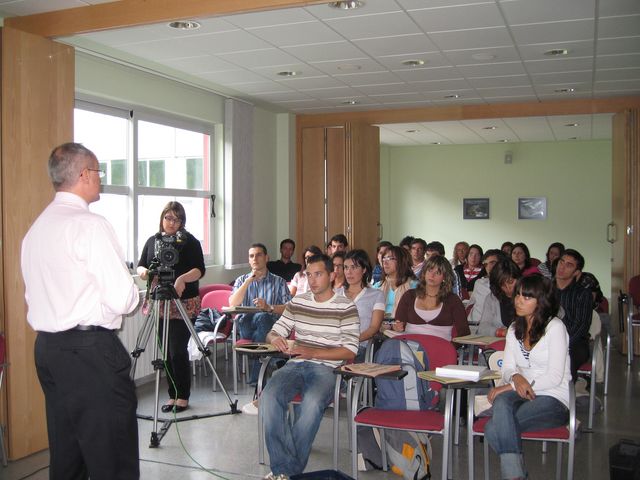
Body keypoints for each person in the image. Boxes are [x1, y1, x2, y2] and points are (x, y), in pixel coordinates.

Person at [21, 143, 140, 479]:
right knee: (112, 456)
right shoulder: (89, 225)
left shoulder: (37, 228)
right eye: (98, 171)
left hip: (48, 350)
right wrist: (131, 289)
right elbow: (123, 300)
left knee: (68, 452)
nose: (100, 178)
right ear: (84, 174)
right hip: (89, 354)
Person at [261, 254, 359, 479]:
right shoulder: (299, 301)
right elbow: (274, 330)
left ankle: (283, 472)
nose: (312, 280)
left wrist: (313, 352)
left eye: (319, 274)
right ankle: (286, 471)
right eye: (309, 274)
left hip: (327, 367)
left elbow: (350, 350)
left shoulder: (346, 307)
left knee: (312, 403)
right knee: (269, 397)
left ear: (332, 275)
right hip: (296, 364)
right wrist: (274, 337)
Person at [484, 275, 571, 480]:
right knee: (502, 402)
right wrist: (515, 377)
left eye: (527, 297)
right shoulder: (515, 328)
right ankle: (516, 475)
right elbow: (507, 369)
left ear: (541, 302)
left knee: (493, 428)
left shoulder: (555, 327)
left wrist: (512, 386)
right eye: (518, 295)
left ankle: (514, 475)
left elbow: (555, 377)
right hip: (521, 393)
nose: (519, 300)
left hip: (553, 397)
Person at [137, 201, 206, 413]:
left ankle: (182, 396)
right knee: (165, 351)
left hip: (183, 303)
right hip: (160, 303)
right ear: (162, 218)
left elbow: (199, 270)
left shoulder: (189, 241)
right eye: (168, 218)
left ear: (182, 222)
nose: (171, 222)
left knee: (177, 350)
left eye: (176, 219)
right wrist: (144, 273)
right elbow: (141, 263)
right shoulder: (153, 241)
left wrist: (182, 279)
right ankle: (172, 395)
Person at [230, 243, 292, 383]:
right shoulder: (241, 280)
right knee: (261, 318)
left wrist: (269, 307)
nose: (255, 259)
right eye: (251, 256)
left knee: (264, 317)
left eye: (259, 255)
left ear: (266, 258)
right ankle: (270, 361)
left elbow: (290, 308)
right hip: (246, 325)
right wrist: (248, 282)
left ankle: (257, 374)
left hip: (270, 326)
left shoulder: (279, 281)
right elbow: (233, 304)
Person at [393, 255, 470, 341]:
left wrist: (452, 348)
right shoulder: (409, 296)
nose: (432, 275)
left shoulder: (453, 300)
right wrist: (397, 327)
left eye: (437, 273)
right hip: (410, 346)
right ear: (424, 272)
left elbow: (464, 332)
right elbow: (398, 323)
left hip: (439, 348)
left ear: (444, 278)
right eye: (430, 270)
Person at [338, 249, 385, 361]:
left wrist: (352, 340)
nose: (348, 272)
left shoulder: (376, 295)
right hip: (333, 345)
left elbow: (373, 328)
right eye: (346, 267)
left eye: (354, 267)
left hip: (359, 346)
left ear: (364, 269)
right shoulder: (335, 293)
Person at [554, 249, 592, 380]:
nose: (562, 267)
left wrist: (559, 344)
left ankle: (565, 396)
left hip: (574, 342)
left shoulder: (583, 294)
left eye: (569, 265)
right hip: (544, 339)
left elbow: (581, 327)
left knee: (565, 360)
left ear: (576, 272)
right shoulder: (544, 288)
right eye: (561, 262)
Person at [477, 258, 521, 336]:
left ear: (518, 278)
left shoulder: (528, 297)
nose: (508, 288)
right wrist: (502, 332)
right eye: (502, 285)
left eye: (511, 282)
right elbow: (482, 328)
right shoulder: (492, 298)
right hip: (499, 344)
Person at [373, 245, 417, 317]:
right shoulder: (377, 286)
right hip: (381, 325)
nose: (385, 262)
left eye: (390, 258)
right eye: (384, 258)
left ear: (402, 261)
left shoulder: (414, 286)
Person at [468, 249, 504, 327]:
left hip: (497, 328)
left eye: (492, 263)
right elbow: (470, 304)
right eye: (486, 264)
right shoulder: (479, 283)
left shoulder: (509, 286)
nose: (489, 267)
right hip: (473, 325)